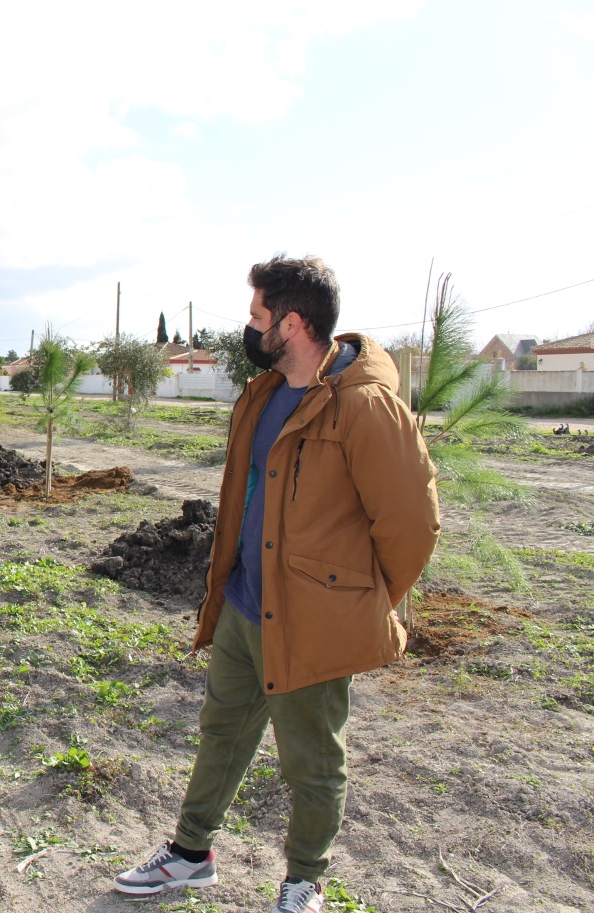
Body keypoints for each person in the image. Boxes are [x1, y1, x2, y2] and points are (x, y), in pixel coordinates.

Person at [113, 255, 440, 913]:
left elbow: (412, 522)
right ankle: (189, 854)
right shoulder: (264, 394)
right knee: (222, 731)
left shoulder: (363, 405)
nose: (248, 326)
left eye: (257, 315)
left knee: (312, 763)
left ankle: (303, 882)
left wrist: (353, 601)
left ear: (291, 323)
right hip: (241, 604)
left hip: (311, 622)